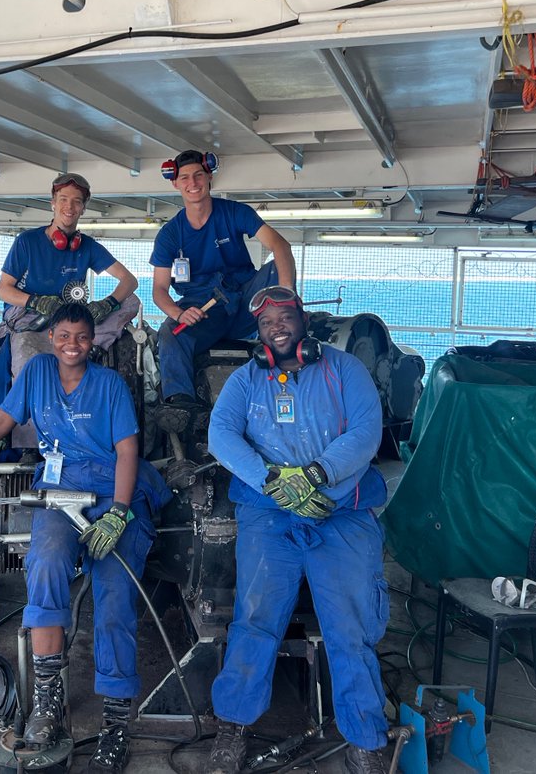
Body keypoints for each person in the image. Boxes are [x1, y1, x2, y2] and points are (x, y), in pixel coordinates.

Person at [0, 303, 170, 774]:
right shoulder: (38, 370)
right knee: (45, 565)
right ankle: (47, 700)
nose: (72, 345)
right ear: (51, 336)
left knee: (115, 595)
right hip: (59, 492)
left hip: (109, 488)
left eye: (81, 336)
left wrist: (119, 514)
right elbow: (1, 422)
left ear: (92, 340)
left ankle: (116, 723)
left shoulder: (110, 385)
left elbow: (128, 451)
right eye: (63, 335)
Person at [205, 286, 389, 774]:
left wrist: (317, 474)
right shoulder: (247, 381)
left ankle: (366, 737)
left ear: (304, 322)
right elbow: (220, 434)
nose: (278, 327)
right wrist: (269, 478)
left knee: (350, 627)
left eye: (285, 317)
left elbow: (367, 432)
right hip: (270, 514)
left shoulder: (346, 371)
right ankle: (233, 724)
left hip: (342, 511)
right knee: (255, 619)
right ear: (260, 335)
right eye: (267, 323)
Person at [0, 172, 141, 449]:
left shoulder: (87, 246)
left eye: (76, 201)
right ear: (52, 203)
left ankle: (93, 345)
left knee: (131, 301)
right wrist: (35, 301)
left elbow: (129, 281)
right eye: (63, 199)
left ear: (83, 207)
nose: (69, 207)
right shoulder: (27, 242)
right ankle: (29, 445)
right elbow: (4, 289)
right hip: (31, 319)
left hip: (72, 320)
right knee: (28, 367)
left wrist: (106, 304)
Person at [150, 150, 295, 409]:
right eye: (184, 178)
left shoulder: (234, 212)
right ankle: (182, 405)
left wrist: (287, 296)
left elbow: (280, 246)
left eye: (198, 175)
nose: (192, 183)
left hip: (247, 302)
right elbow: (159, 290)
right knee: (169, 332)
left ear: (209, 178)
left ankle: (294, 361)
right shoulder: (169, 234)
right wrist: (179, 314)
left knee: (276, 268)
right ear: (175, 183)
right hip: (203, 311)